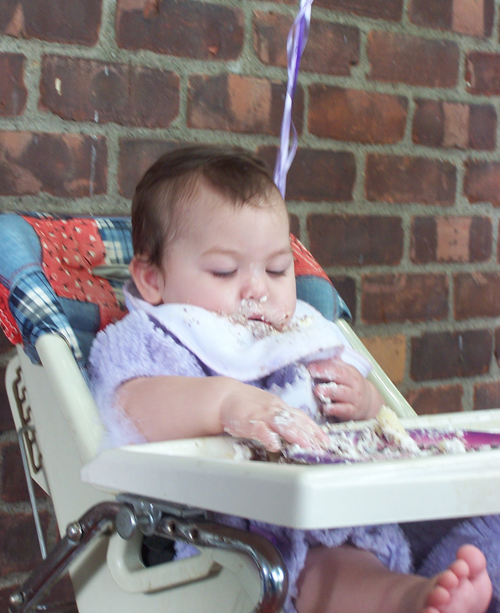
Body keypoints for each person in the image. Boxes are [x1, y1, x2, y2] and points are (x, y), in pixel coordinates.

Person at [89, 145, 492, 613]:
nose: (258, 287)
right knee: (328, 568)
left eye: (278, 269)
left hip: (348, 504)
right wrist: (224, 403)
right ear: (153, 280)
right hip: (237, 534)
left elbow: (380, 417)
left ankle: (449, 584)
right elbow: (132, 406)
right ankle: (408, 601)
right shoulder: (151, 337)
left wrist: (363, 401)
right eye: (225, 271)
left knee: (481, 510)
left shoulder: (296, 331)